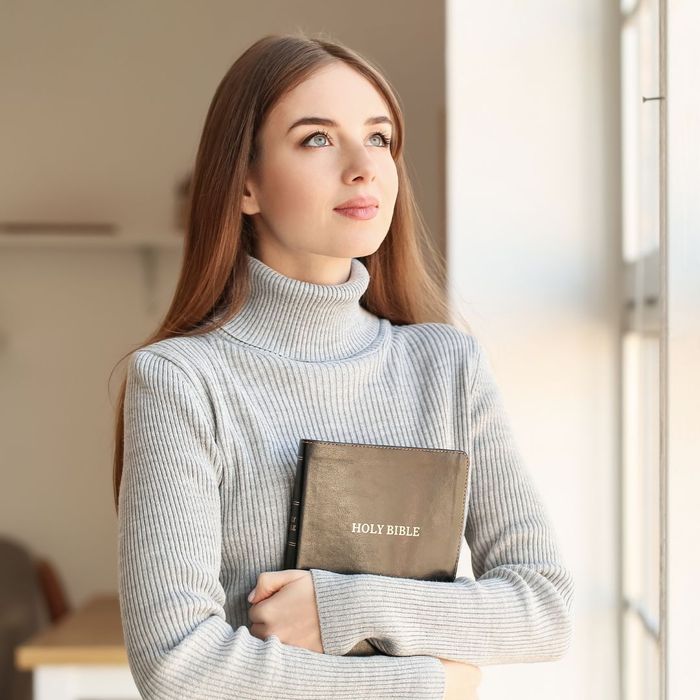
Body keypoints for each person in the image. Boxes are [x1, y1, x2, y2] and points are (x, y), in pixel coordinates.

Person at [112, 31, 573, 700]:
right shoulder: (180, 381)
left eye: (380, 138)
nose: (364, 167)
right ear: (245, 185)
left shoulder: (447, 365)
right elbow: (179, 666)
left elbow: (544, 609)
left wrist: (341, 607)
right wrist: (428, 685)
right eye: (318, 139)